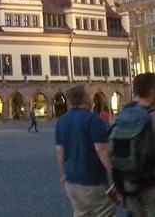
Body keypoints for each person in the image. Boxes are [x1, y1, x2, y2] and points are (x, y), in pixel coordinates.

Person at [55, 84, 115, 217]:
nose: (91, 98)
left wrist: (63, 174)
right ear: (85, 99)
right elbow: (101, 149)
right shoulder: (94, 120)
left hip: (71, 181)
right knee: (104, 212)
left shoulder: (61, 121)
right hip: (92, 180)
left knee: (81, 213)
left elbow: (60, 152)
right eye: (89, 95)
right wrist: (114, 172)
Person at [114, 73, 155, 217]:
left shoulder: (123, 115)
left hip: (127, 183)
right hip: (151, 184)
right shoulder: (152, 116)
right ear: (152, 92)